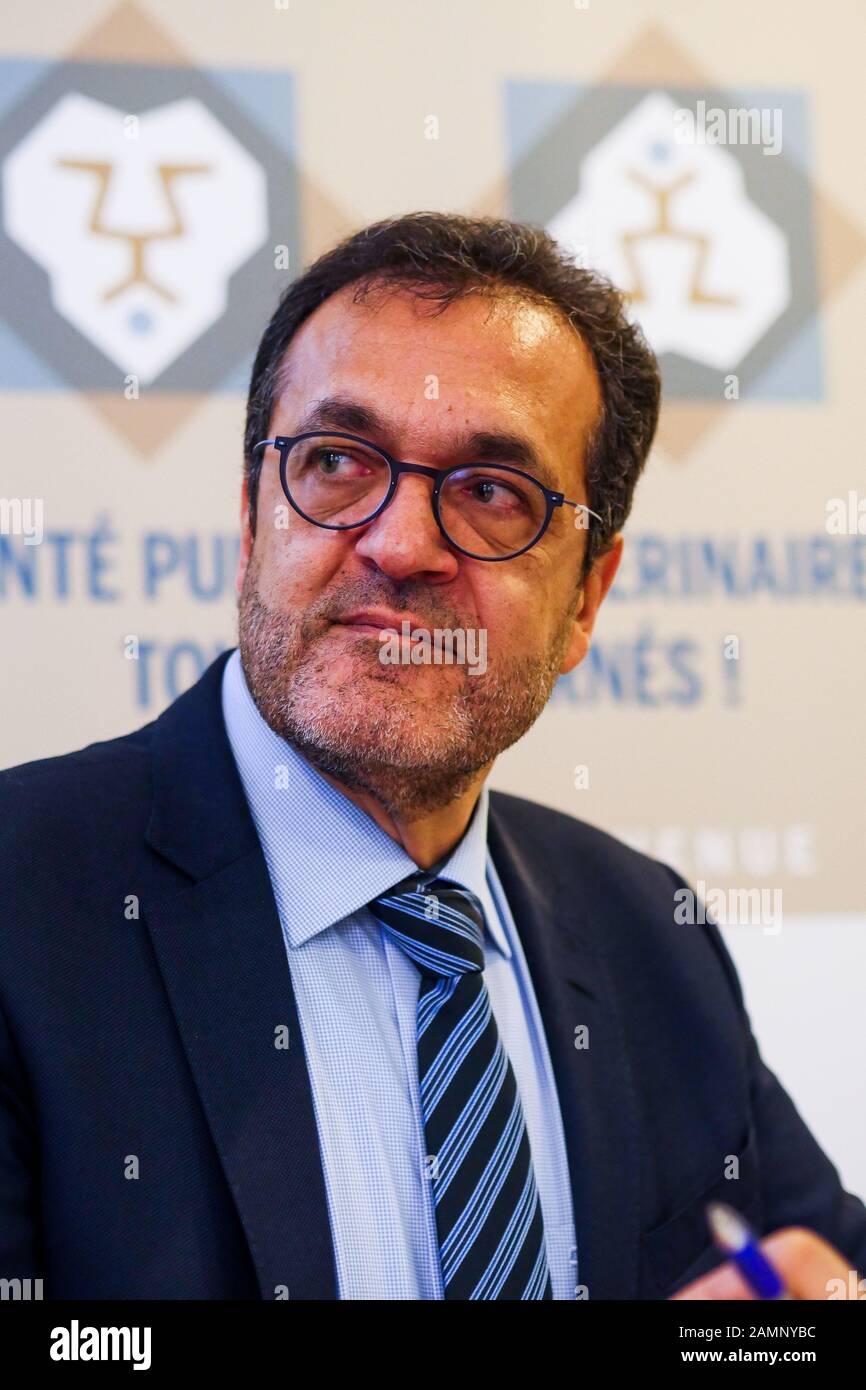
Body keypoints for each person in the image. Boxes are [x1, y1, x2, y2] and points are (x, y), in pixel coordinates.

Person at [1, 213, 863, 1301]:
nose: (401, 544)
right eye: (335, 462)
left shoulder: (648, 934)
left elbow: (811, 1268)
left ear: (586, 597)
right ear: (249, 524)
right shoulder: (24, 903)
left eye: (490, 492)